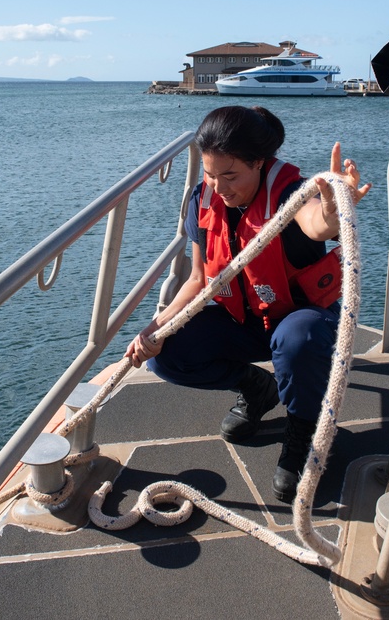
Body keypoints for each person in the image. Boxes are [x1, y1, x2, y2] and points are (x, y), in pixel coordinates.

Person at [125, 105, 370, 503]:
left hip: (301, 320)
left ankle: (305, 431)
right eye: (209, 174)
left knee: (299, 340)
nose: (219, 187)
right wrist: (156, 327)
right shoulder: (201, 200)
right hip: (245, 320)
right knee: (166, 355)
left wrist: (332, 208)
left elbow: (316, 223)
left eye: (230, 175)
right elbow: (199, 278)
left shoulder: (292, 193)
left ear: (259, 162)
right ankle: (257, 389)